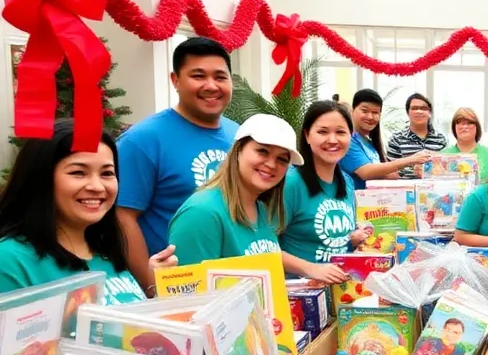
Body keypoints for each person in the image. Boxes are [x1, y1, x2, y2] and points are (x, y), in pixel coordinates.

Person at [0, 120, 176, 302]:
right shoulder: (10, 261)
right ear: (40, 178)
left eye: (107, 173)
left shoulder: (107, 250)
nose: (97, 186)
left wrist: (156, 291)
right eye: (78, 173)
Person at [116, 36, 237, 291]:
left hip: (235, 284)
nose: (211, 85)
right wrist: (151, 287)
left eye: (220, 77)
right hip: (178, 290)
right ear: (176, 81)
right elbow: (123, 218)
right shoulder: (142, 140)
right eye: (198, 76)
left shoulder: (239, 136)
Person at [168, 114, 301, 265]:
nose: (271, 164)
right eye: (262, 151)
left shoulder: (263, 211)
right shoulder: (202, 212)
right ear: (238, 151)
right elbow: (188, 285)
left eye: (282, 159)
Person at [280, 101, 373, 282]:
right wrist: (311, 269)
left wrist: (353, 237)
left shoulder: (346, 181)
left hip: (339, 293)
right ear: (307, 135)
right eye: (322, 132)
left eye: (340, 132)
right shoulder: (290, 183)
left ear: (350, 136)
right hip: (299, 296)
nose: (332, 140)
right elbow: (264, 247)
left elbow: (336, 239)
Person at [341, 88, 416, 188]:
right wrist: (411, 159)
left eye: (375, 112)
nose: (370, 117)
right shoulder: (348, 141)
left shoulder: (368, 143)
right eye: (364, 111)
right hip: (355, 201)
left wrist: (386, 174)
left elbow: (378, 172)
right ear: (353, 111)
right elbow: (366, 172)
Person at [386, 92, 446, 178]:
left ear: (430, 113)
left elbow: (446, 169)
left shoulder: (440, 139)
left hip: (434, 188)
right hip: (404, 189)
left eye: (423, 108)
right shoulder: (396, 139)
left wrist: (428, 171)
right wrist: (413, 169)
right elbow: (390, 171)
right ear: (408, 113)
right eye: (414, 108)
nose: (419, 111)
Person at [439, 107, 488, 183]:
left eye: (469, 122)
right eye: (460, 122)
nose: (465, 127)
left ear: (477, 127)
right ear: (454, 127)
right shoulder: (442, 156)